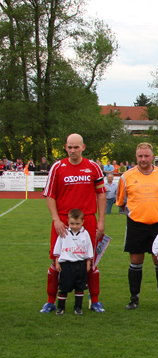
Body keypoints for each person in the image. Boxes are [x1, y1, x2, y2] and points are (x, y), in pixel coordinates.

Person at [40, 133, 106, 314]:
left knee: (90, 261)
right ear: (65, 147)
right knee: (56, 260)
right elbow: (50, 195)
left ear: (83, 147)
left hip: (88, 220)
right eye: (69, 147)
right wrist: (56, 220)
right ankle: (50, 302)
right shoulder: (57, 167)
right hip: (63, 220)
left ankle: (95, 301)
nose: (72, 150)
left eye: (76, 147)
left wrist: (101, 220)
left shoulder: (93, 167)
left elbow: (101, 193)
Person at [117, 142, 158, 310]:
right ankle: (134, 298)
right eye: (140, 156)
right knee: (136, 260)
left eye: (146, 156)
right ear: (136, 157)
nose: (143, 159)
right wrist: (135, 215)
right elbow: (121, 202)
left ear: (152, 157)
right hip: (136, 224)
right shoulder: (126, 176)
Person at [52, 209, 94, 315]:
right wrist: (57, 262)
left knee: (80, 287)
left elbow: (89, 248)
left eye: (77, 224)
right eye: (72, 223)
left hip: (80, 264)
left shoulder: (85, 234)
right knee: (64, 287)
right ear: (67, 222)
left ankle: (78, 308)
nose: (74, 226)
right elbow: (58, 248)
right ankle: (61, 308)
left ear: (82, 222)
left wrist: (88, 263)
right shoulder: (64, 233)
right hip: (66, 264)